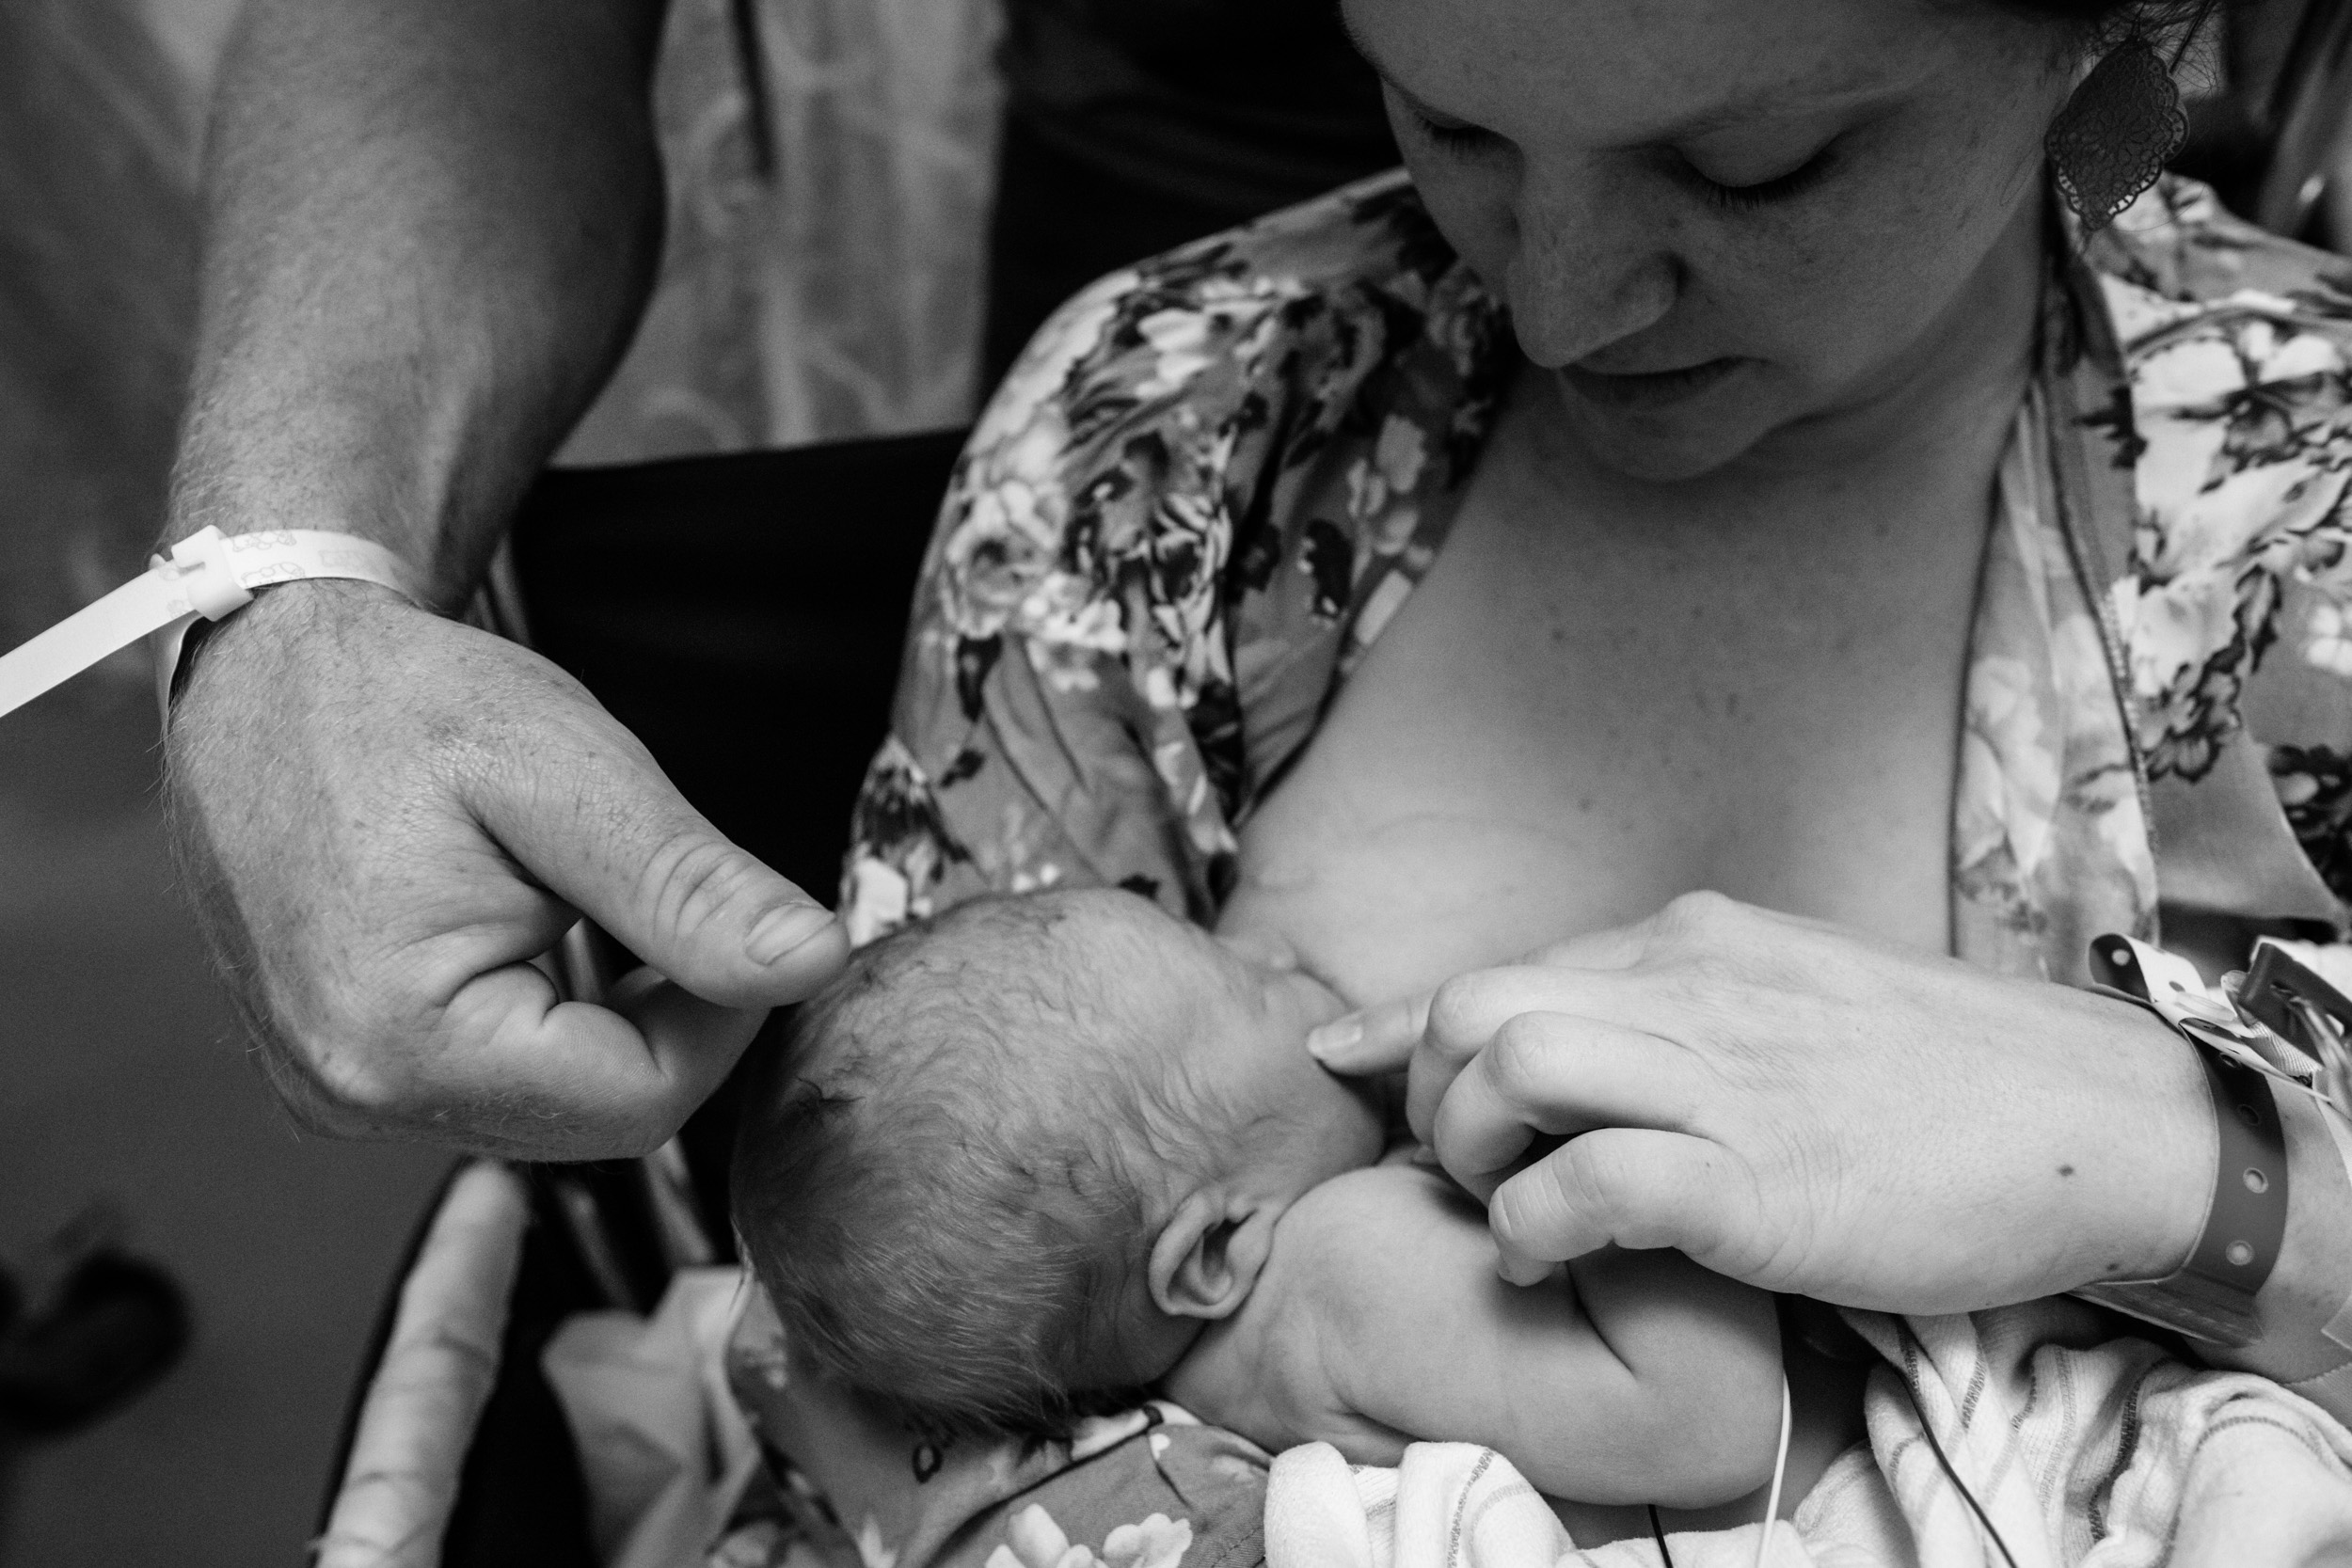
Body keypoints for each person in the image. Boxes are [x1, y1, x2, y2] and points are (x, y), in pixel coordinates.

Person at [723, 0, 2352, 1558]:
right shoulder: (1166, 438)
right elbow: (872, 1343)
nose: (1560, 304)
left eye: (1751, 166)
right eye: (1451, 122)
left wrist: (2165, 1154)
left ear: (2103, 42)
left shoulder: (2306, 532)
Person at [156, 0, 1394, 1160]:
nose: (1557, 305)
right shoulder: (1121, 426)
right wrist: (292, 576)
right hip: (1200, 96)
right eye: (1468, 136)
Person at [730, 888, 1786, 1505]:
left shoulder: (1243, 1352)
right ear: (1214, 1248)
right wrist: (1626, 1103)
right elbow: (1714, 1423)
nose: (1274, 948)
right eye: (1246, 982)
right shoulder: (1342, 1266)